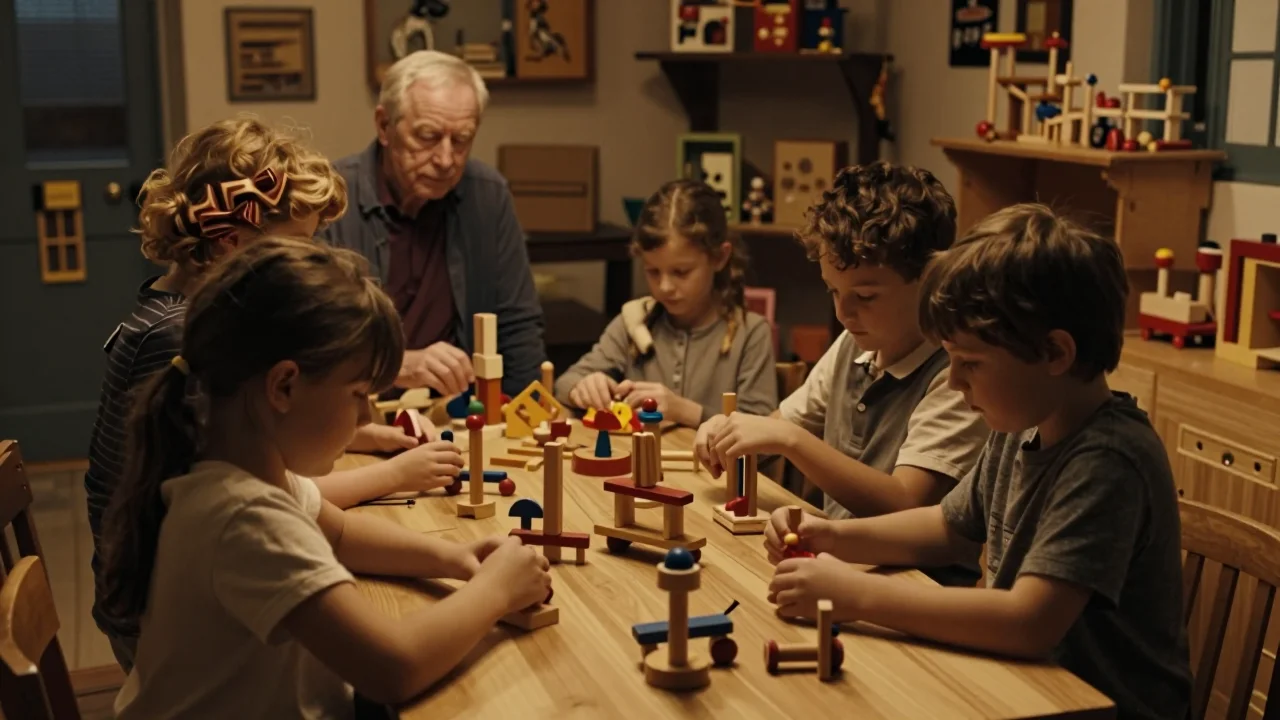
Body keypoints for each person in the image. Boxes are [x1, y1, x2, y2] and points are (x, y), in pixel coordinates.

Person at [765, 204, 1190, 720]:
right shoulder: (1025, 422)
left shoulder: (1108, 459)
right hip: (1017, 688)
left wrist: (854, 595)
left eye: (970, 363)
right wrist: (830, 537)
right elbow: (951, 527)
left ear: (1055, 353)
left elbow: (1027, 621)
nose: (952, 381)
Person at [102, 237, 552, 719]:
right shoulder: (244, 517)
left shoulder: (240, 470)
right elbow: (393, 668)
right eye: (358, 393)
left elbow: (338, 532)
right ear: (284, 386)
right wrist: (494, 592)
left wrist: (453, 556)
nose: (365, 418)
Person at [86, 117, 463, 672]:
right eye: (298, 248)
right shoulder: (178, 339)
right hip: (154, 621)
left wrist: (363, 431)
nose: (310, 264)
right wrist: (395, 476)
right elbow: (263, 489)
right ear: (231, 243)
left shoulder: (183, 315)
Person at [694, 162, 988, 529]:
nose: (843, 312)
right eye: (833, 290)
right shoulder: (855, 344)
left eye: (865, 296)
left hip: (916, 580)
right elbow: (777, 428)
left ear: (930, 278)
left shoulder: (957, 374)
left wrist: (790, 440)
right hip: (837, 556)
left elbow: (907, 503)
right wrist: (730, 435)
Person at [321, 50, 545, 399]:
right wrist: (397, 365)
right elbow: (307, 340)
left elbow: (517, 328)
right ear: (384, 126)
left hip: (457, 414)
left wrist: (523, 423)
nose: (445, 160)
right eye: (427, 136)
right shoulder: (329, 202)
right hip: (358, 415)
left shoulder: (487, 195)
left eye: (461, 140)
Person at [553, 180, 776, 426]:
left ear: (720, 257)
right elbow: (565, 382)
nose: (665, 287)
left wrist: (685, 411)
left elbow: (763, 433)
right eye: (653, 272)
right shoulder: (634, 323)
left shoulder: (751, 334)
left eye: (681, 272)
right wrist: (583, 387)